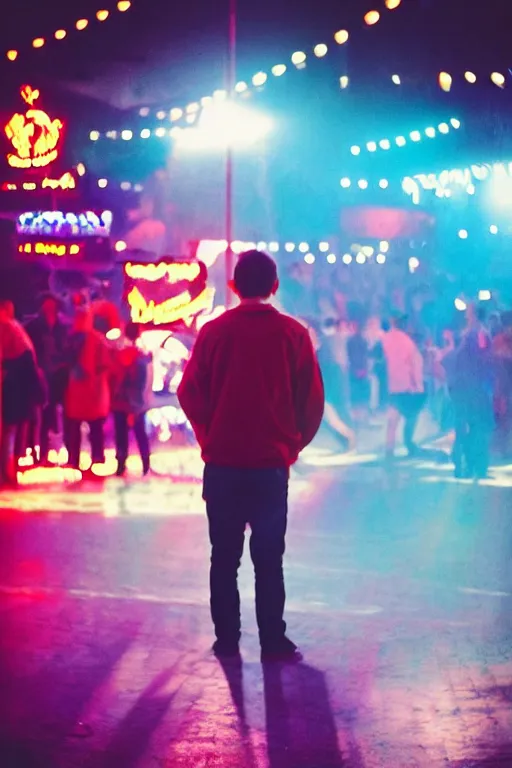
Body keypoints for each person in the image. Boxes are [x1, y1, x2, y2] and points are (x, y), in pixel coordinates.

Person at [178, 250, 324, 662]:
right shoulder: (293, 334)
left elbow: (189, 392)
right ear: (275, 286)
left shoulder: (212, 332)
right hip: (269, 468)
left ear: (234, 286)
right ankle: (272, 640)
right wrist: (290, 444)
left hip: (222, 465)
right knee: (268, 558)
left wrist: (211, 433)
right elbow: (311, 402)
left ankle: (226, 639)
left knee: (223, 556)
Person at [0, 300, 46, 485]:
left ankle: (7, 472)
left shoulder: (7, 327)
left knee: (9, 431)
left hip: (14, 386)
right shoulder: (13, 328)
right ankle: (9, 471)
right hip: (19, 387)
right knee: (12, 431)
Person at [64, 308, 111, 474]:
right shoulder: (73, 339)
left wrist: (95, 377)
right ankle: (74, 458)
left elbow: (104, 364)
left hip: (92, 389)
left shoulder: (96, 340)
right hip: (78, 389)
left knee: (94, 426)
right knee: (76, 426)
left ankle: (96, 457)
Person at [25, 293, 69, 464]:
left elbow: (65, 349)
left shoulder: (61, 327)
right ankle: (37, 453)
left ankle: (49, 452)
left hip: (57, 378)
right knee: (38, 416)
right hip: (39, 377)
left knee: (53, 416)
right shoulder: (34, 327)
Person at [447, 326, 494, 479]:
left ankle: (462, 466)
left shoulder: (455, 356)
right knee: (477, 433)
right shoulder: (481, 358)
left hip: (460, 400)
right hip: (477, 401)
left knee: (462, 433)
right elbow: (488, 379)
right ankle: (477, 467)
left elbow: (449, 377)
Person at [111, 322, 152, 477]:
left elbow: (115, 378)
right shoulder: (142, 357)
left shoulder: (120, 354)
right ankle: (145, 465)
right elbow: (142, 383)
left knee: (121, 434)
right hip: (137, 403)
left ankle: (121, 465)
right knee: (140, 434)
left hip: (121, 402)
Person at [381, 313, 425, 459]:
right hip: (407, 387)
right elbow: (415, 366)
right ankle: (409, 445)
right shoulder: (408, 342)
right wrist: (418, 386)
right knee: (410, 418)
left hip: (393, 386)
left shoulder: (386, 339)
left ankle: (389, 449)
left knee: (392, 420)